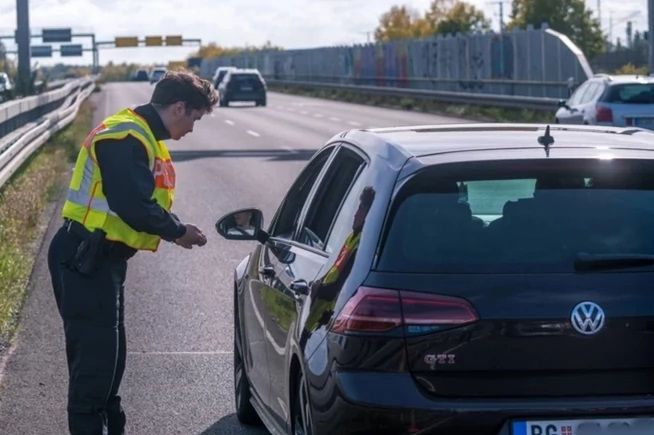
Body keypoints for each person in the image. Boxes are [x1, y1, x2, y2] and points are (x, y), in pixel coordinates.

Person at [47, 70, 218, 435]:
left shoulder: (141, 134)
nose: (193, 129)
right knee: (94, 376)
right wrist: (177, 232)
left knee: (109, 369)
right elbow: (131, 204)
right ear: (178, 107)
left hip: (101, 261)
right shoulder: (126, 136)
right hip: (85, 260)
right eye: (195, 118)